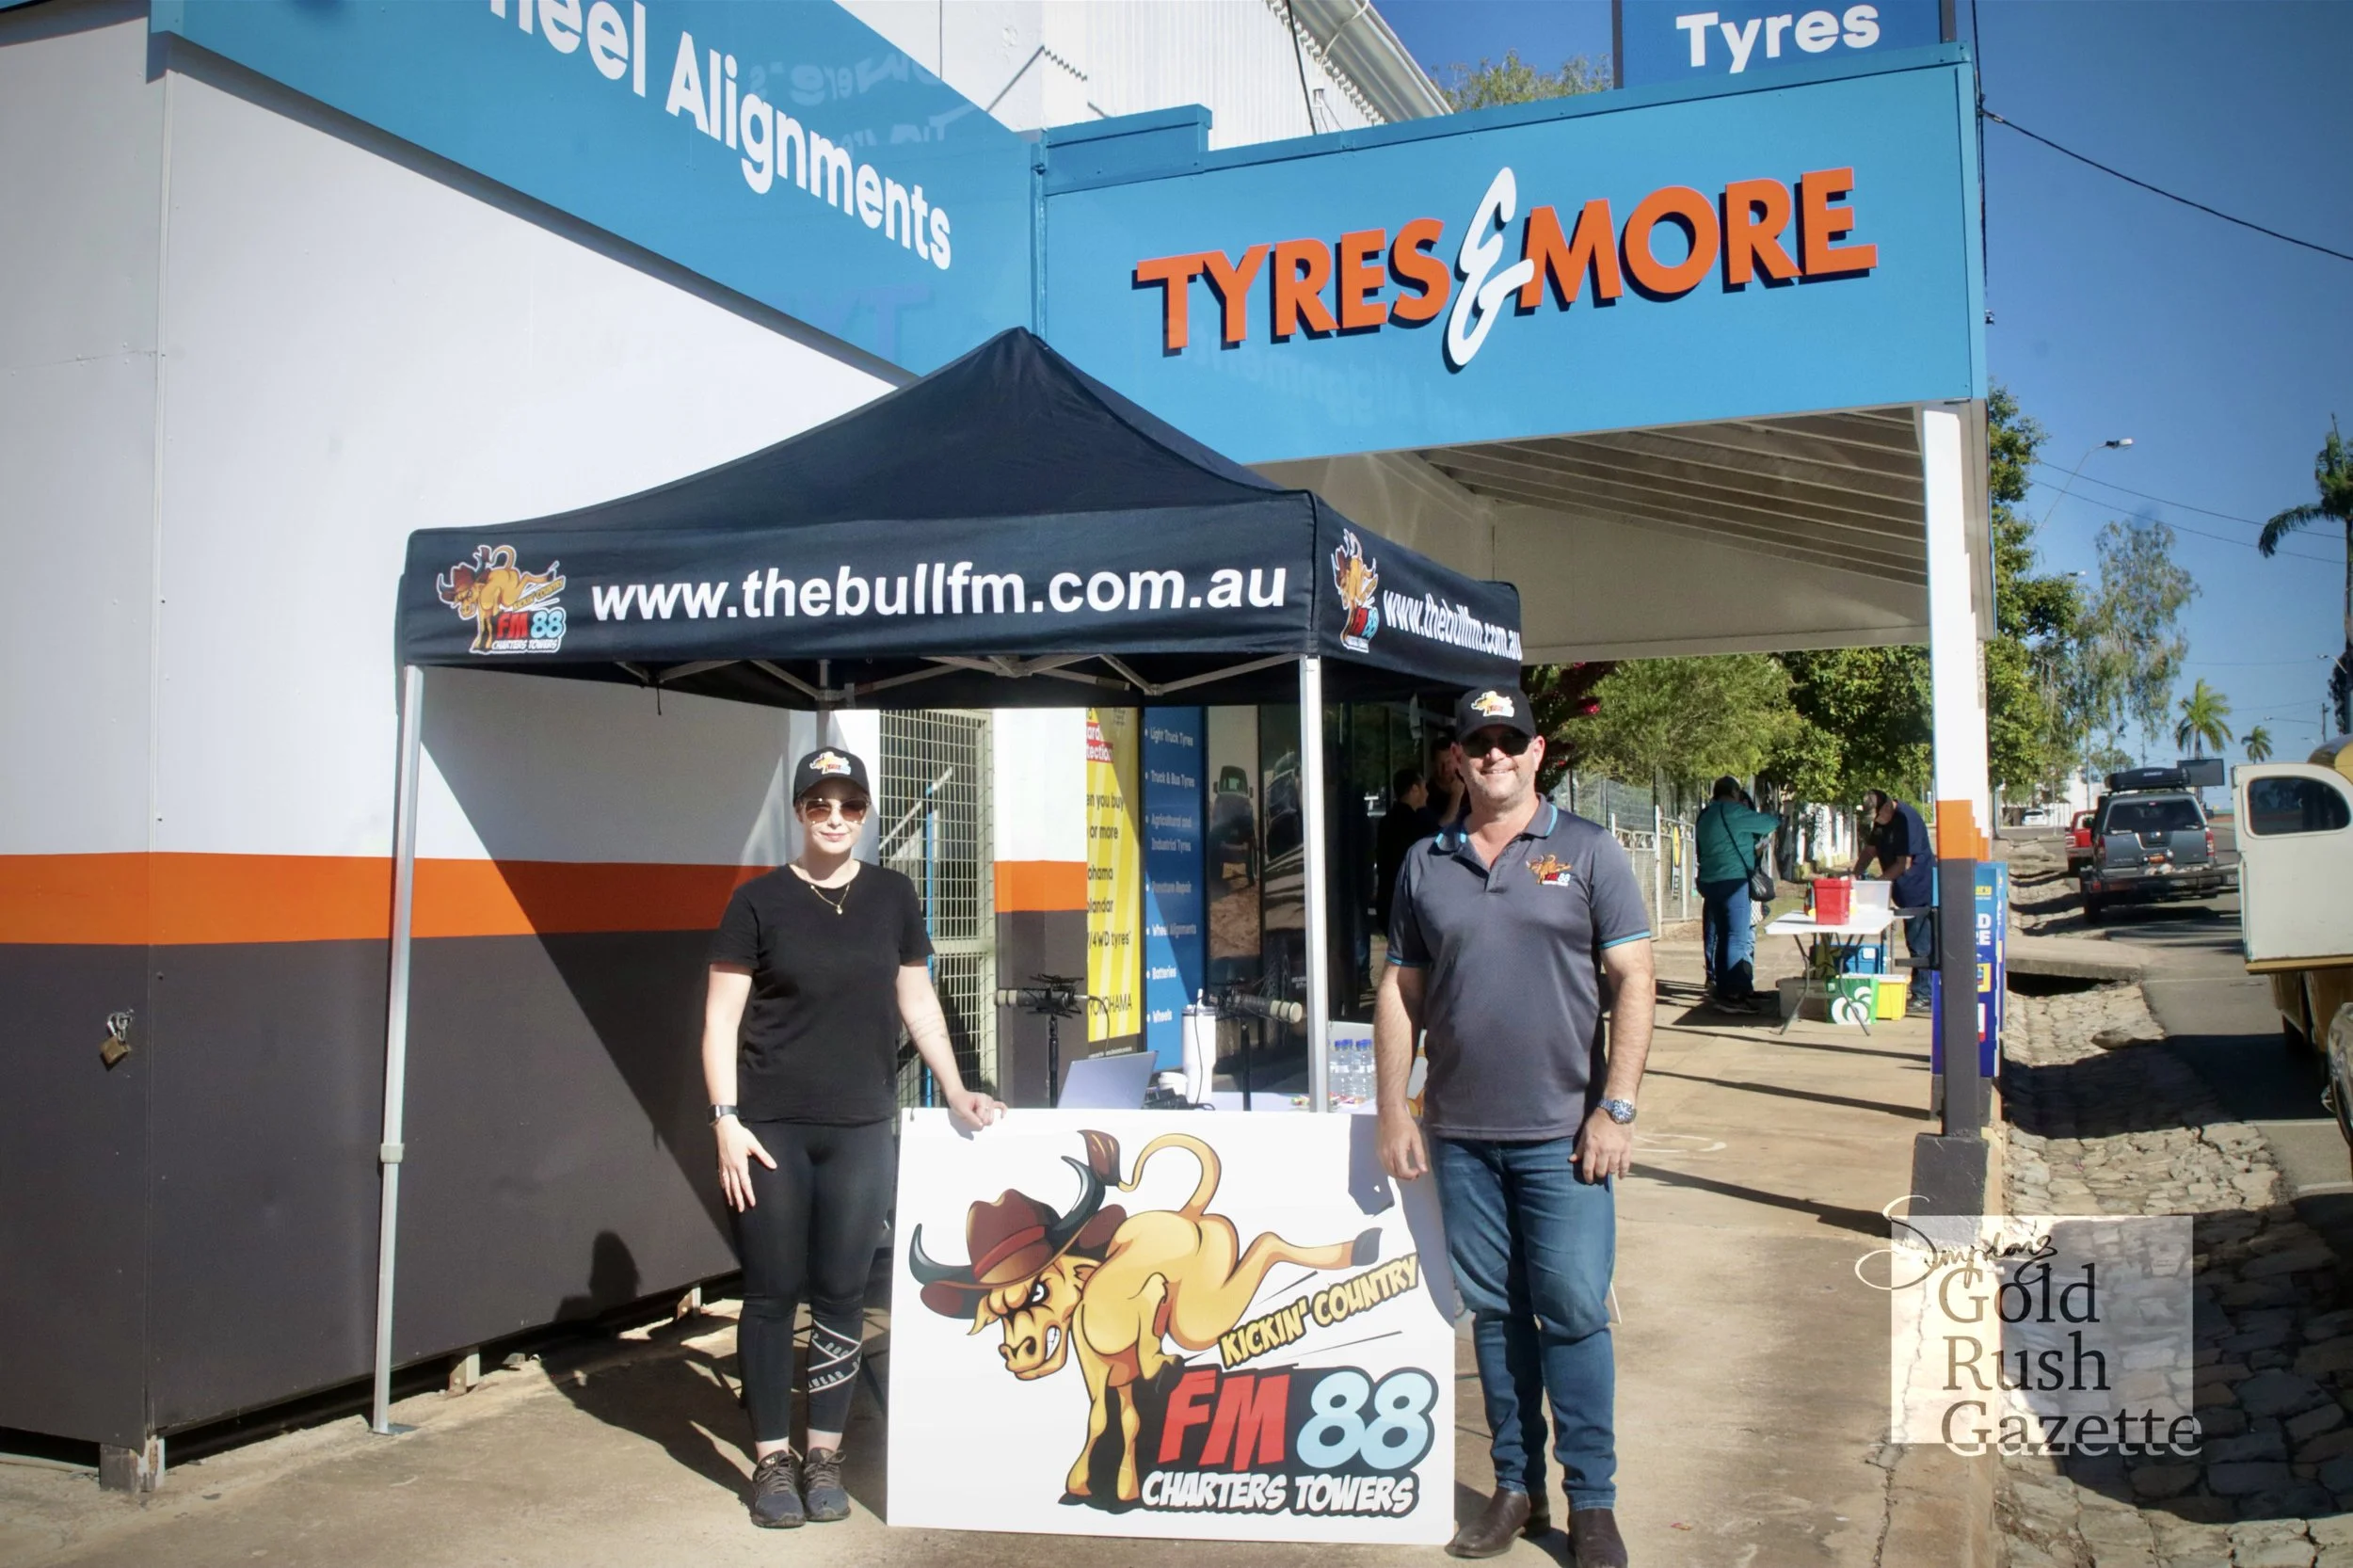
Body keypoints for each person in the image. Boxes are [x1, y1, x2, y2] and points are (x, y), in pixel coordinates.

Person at [1374, 685, 1653, 1567]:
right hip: (1460, 1133)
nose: (1493, 754)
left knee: (1571, 1311)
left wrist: (1616, 1107)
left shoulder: (1589, 851)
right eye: (1477, 743)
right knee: (1494, 1315)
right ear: (1456, 760)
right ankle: (1516, 1488)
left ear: (1537, 754)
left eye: (1509, 740)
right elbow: (1401, 989)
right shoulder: (1425, 863)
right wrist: (1393, 1106)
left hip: (1565, 1137)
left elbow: (1635, 980)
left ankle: (1594, 1503)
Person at [701, 745, 1005, 1529]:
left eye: (849, 805)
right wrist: (726, 1121)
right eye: (819, 804)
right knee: (772, 1293)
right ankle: (773, 1459)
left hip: (862, 1127)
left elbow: (919, 1002)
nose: (834, 818)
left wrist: (956, 1086)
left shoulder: (892, 896)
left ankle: (825, 1455)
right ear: (799, 812)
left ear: (866, 813)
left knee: (842, 1292)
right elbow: (721, 1022)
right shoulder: (757, 902)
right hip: (770, 1131)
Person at [1693, 776, 1781, 1013]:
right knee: (1737, 937)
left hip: (1710, 881)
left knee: (1723, 936)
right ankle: (1734, 995)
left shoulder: (1706, 815)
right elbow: (1768, 823)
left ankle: (1729, 989)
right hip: (1733, 881)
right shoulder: (1734, 812)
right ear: (1734, 793)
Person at [1851, 788, 1938, 1014]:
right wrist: (1855, 874)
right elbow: (1870, 850)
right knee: (1912, 940)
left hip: (1918, 889)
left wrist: (1876, 884)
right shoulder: (1882, 821)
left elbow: (1903, 864)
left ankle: (1924, 995)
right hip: (1900, 890)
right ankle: (1922, 991)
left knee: (1920, 942)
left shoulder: (1906, 820)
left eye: (1878, 817)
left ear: (1887, 806)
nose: (1876, 823)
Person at [1375, 765, 1436, 934]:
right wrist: (1457, 796)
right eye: (1424, 787)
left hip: (1388, 900)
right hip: (1407, 904)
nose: (1427, 793)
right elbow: (1441, 832)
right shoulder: (1414, 822)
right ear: (1414, 789)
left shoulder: (1387, 821)